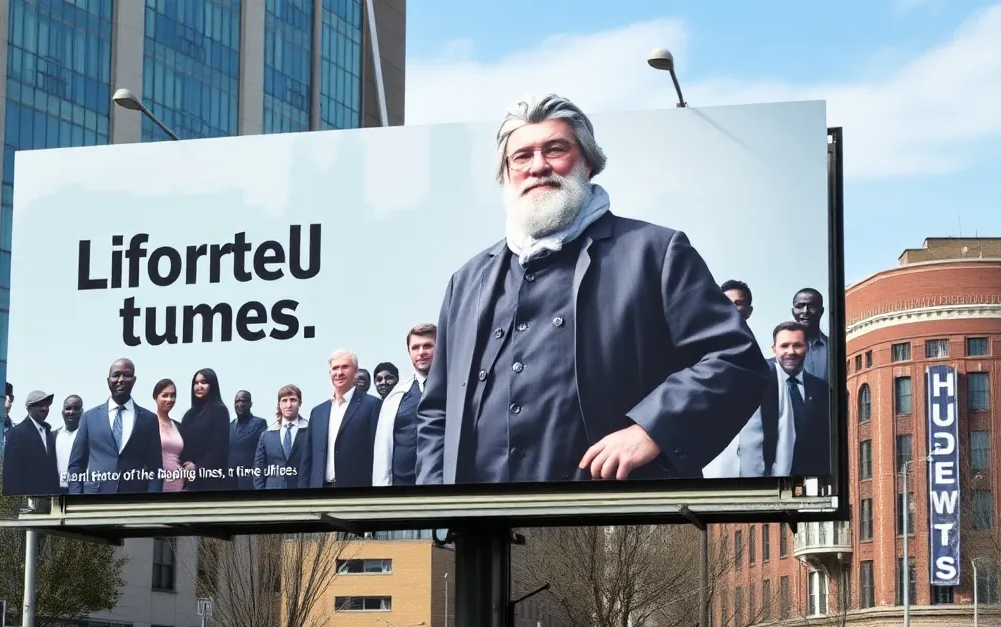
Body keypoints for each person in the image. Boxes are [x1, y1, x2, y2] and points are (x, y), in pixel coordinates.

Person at [418, 92, 768, 485]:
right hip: (483, 533)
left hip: (615, 528)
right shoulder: (467, 281)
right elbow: (437, 412)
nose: (538, 167)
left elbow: (735, 361)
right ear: (506, 174)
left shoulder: (654, 252)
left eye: (555, 149)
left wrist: (651, 430)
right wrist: (435, 506)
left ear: (586, 161)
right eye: (522, 156)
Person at [67, 358, 164, 495]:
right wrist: (76, 500)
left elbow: (156, 468)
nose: (121, 379)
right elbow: (76, 465)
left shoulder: (149, 419)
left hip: (135, 500)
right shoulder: (90, 418)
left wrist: (152, 500)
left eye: (127, 375)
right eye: (116, 375)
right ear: (108, 380)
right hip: (95, 500)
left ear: (134, 380)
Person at [750, 322, 831, 478]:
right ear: (774, 349)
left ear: (807, 347)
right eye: (784, 346)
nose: (791, 352)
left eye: (797, 345)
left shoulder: (821, 390)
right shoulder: (758, 384)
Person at [702, 280, 763, 479]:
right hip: (710, 468)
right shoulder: (699, 353)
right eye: (726, 301)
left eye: (739, 303)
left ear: (749, 310)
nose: (732, 308)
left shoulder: (765, 360)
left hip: (754, 471)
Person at [374, 324, 436, 486]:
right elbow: (382, 453)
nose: (421, 352)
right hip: (403, 490)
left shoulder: (457, 389)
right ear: (409, 353)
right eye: (415, 347)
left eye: (427, 346)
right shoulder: (396, 396)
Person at [308, 349, 381, 488]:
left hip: (354, 492)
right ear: (330, 373)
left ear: (355, 372)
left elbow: (378, 453)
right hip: (319, 491)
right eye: (335, 368)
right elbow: (308, 459)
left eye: (345, 367)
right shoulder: (317, 412)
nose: (339, 372)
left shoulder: (372, 405)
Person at [178, 368, 231, 491]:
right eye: (196, 383)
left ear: (212, 385)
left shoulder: (219, 410)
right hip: (188, 481)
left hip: (211, 481)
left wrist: (197, 467)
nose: (199, 386)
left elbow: (219, 449)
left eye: (204, 382)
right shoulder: (189, 415)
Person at [2, 390, 60, 495]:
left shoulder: (48, 433)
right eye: (39, 405)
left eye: (47, 405)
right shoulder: (17, 433)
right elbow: (10, 472)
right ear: (29, 408)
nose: (44, 408)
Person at [254, 384, 311, 489]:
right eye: (284, 400)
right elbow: (259, 469)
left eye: (293, 400)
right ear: (279, 404)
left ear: (300, 403)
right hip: (272, 494)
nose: (288, 405)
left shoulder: (310, 431)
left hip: (302, 493)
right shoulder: (267, 434)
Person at [228, 390, 268, 489]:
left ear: (250, 404)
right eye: (237, 401)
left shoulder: (259, 424)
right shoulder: (229, 427)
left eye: (243, 401)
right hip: (230, 483)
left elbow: (263, 453)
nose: (239, 404)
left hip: (250, 482)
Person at [149, 378, 185, 492]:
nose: (169, 399)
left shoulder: (179, 426)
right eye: (165, 395)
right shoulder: (148, 423)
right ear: (156, 397)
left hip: (180, 486)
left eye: (173, 395)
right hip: (158, 486)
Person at [792, 287, 829, 380]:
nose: (805, 311)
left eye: (812, 306)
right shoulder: (784, 349)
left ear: (821, 311)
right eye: (800, 306)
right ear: (793, 312)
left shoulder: (834, 347)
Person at [52, 394, 84, 490]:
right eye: (68, 408)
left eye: (76, 408)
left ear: (82, 412)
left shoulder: (88, 436)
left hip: (79, 491)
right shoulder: (52, 436)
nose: (71, 412)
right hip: (56, 491)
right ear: (62, 412)